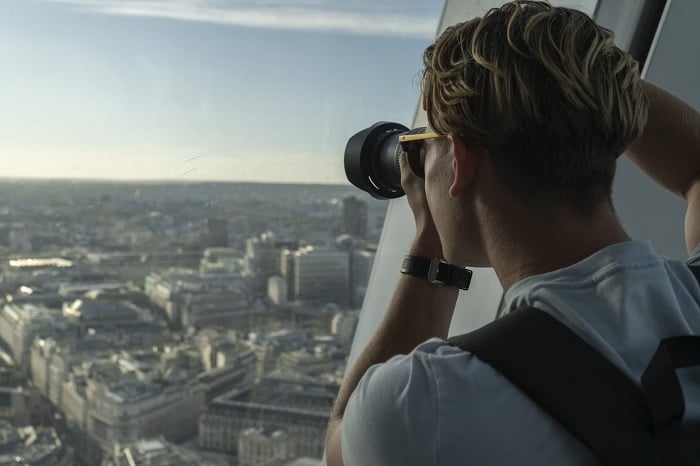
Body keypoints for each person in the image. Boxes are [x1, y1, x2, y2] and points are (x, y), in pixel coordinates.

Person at [324, 1, 700, 465]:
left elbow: (341, 444)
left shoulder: (430, 404)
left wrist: (430, 248)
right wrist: (579, 88)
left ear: (459, 160)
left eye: (428, 144)